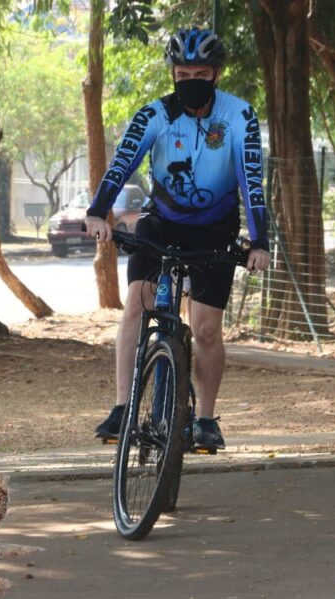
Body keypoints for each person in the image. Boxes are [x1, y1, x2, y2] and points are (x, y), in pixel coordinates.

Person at [86, 27, 272, 451]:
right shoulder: (154, 114)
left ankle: (205, 418)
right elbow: (121, 164)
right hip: (162, 223)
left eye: (200, 73)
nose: (191, 80)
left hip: (217, 229)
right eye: (182, 72)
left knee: (206, 330)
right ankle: (122, 407)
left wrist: (259, 241)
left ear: (216, 73)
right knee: (137, 301)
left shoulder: (239, 116)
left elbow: (252, 180)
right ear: (173, 73)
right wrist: (98, 211)